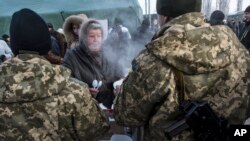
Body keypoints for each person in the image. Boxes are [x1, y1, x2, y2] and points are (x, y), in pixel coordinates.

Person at [113, 0, 250, 141]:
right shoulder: (237, 48)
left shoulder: (155, 58)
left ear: (164, 16)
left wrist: (122, 94)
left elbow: (125, 116)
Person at [0, 8, 109, 140]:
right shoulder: (75, 91)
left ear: (12, 45)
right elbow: (97, 130)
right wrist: (88, 100)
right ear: (47, 44)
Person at [62, 20, 125, 109]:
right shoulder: (72, 57)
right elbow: (65, 84)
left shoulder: (108, 52)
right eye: (92, 36)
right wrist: (85, 92)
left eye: (99, 36)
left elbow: (120, 74)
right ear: (84, 37)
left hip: (111, 106)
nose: (96, 40)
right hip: (88, 109)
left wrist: (119, 85)